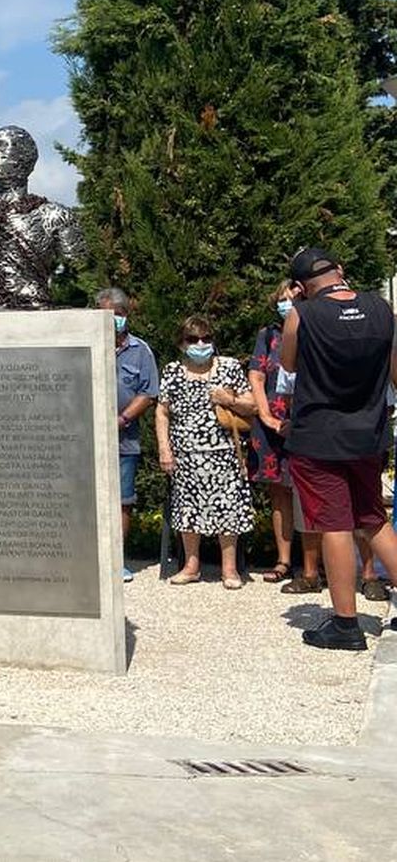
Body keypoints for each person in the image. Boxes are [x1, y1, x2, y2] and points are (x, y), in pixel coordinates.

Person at [280, 247, 397, 650]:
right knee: (374, 518)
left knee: (335, 524)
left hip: (320, 438)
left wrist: (297, 311)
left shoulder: (303, 314)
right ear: (341, 271)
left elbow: (289, 364)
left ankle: (346, 625)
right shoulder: (382, 309)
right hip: (369, 434)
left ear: (299, 288)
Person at [155, 315, 255, 589]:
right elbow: (162, 412)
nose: (200, 344)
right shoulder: (172, 371)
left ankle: (230, 569)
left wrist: (228, 399)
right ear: (181, 343)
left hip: (224, 452)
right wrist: (164, 448)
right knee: (187, 509)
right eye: (193, 339)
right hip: (186, 455)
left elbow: (252, 405)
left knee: (228, 508)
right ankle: (191, 566)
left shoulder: (230, 367)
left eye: (206, 338)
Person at [98, 287, 158, 582]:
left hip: (124, 439)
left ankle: (117, 562)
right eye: (107, 315)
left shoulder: (140, 350)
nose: (113, 321)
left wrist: (120, 419)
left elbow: (147, 393)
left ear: (126, 316)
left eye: (118, 315)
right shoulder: (87, 345)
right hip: (86, 440)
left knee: (122, 501)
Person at [248, 281, 302, 586]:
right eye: (281, 300)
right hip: (270, 424)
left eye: (290, 299)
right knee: (279, 494)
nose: (285, 305)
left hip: (305, 424)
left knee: (310, 493)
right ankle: (283, 560)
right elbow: (256, 375)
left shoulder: (312, 330)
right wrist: (266, 414)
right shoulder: (267, 336)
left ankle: (314, 564)